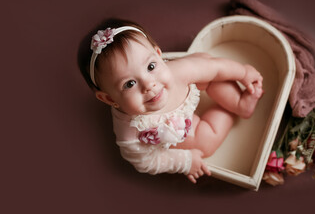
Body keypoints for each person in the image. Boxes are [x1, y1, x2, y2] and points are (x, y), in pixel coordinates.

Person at [77, 18, 263, 184]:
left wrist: (243, 72)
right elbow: (144, 162)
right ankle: (228, 111)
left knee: (211, 70)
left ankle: (240, 103)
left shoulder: (178, 71)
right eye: (130, 83)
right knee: (206, 142)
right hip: (179, 126)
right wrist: (185, 161)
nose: (149, 84)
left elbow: (215, 68)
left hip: (192, 86)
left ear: (159, 55)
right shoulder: (131, 131)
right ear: (109, 98)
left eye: (151, 66)